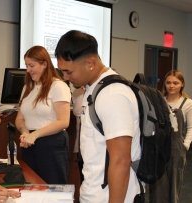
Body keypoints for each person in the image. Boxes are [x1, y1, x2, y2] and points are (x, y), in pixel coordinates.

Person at [55, 30, 142, 202]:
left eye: (69, 72)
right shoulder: (93, 88)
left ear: (90, 63)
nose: (65, 77)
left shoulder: (113, 95)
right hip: (94, 193)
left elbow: (121, 161)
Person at [15, 45, 71, 184]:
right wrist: (25, 131)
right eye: (26, 65)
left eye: (31, 65)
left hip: (51, 144)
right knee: (33, 187)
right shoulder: (27, 87)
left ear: (44, 64)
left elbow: (63, 121)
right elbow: (19, 119)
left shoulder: (58, 86)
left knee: (53, 190)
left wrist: (35, 134)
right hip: (29, 143)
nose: (28, 70)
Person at [153, 70, 192, 203]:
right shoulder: (160, 101)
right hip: (160, 148)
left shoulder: (187, 103)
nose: (171, 86)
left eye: (175, 83)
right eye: (168, 83)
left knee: (174, 185)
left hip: (177, 149)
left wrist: (185, 145)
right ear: (164, 84)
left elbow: (191, 127)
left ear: (182, 84)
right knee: (158, 185)